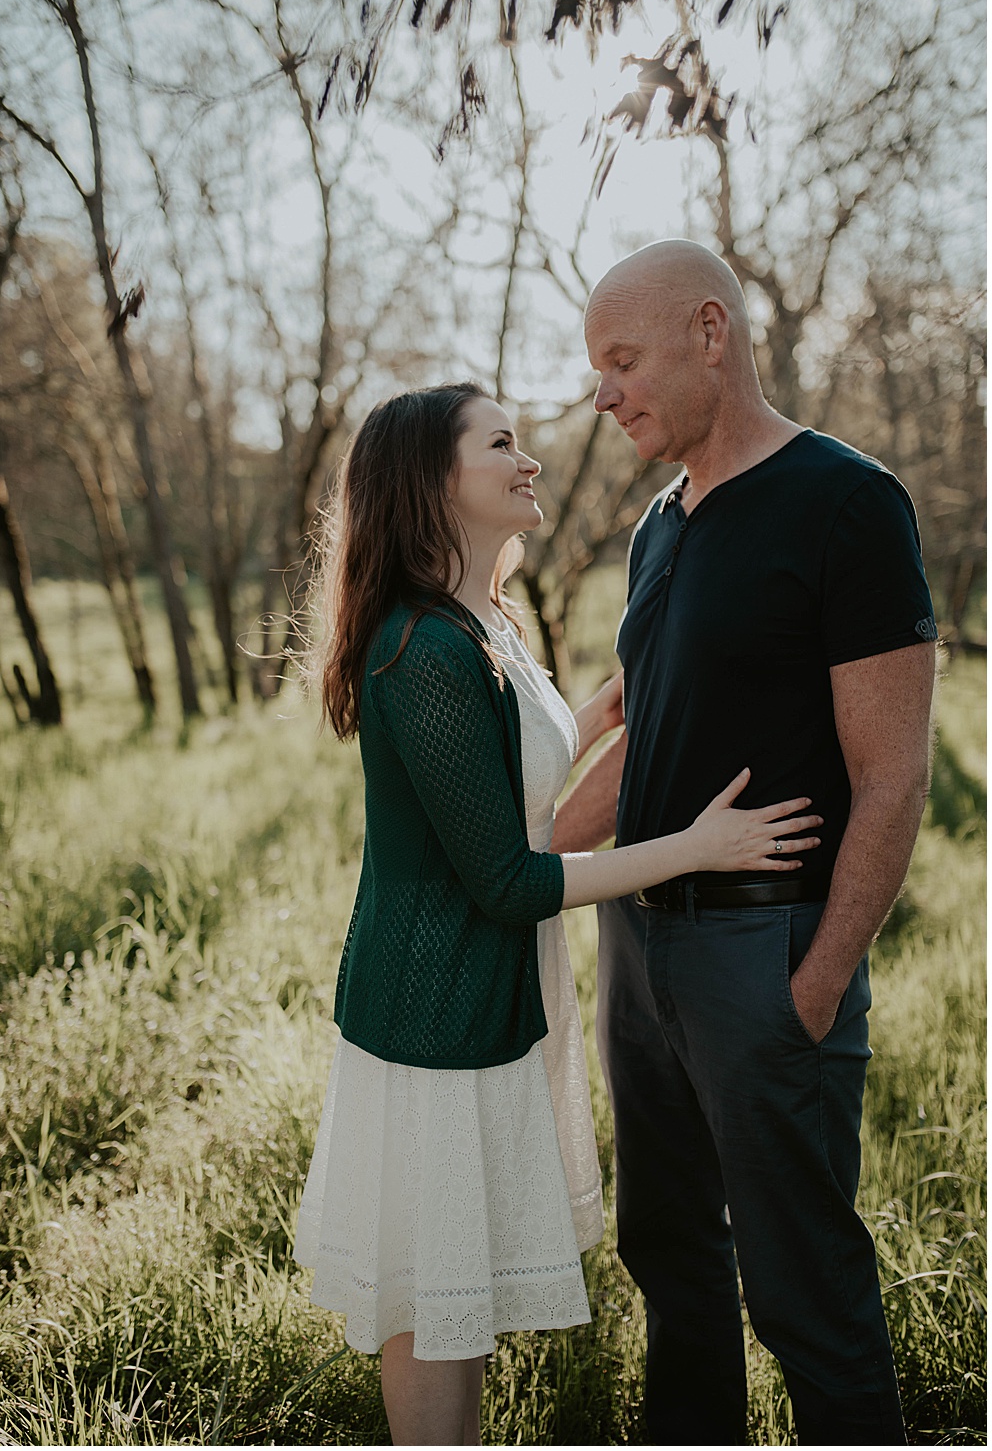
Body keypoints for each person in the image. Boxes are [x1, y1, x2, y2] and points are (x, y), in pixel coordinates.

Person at [291, 382, 825, 1445]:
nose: (527, 461)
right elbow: (506, 879)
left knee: (457, 1288)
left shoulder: (479, 620)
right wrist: (693, 849)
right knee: (433, 1297)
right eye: (500, 445)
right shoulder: (422, 649)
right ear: (432, 483)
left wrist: (608, 705)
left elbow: (508, 772)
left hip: (484, 996)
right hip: (435, 1008)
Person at [552, 239, 935, 1444]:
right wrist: (506, 871)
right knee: (669, 1259)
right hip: (637, 947)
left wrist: (812, 989)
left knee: (801, 1288)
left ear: (709, 332)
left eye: (620, 361)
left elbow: (890, 776)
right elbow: (648, 751)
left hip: (763, 956)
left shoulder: (843, 502)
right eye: (593, 370)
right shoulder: (655, 529)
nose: (602, 394)